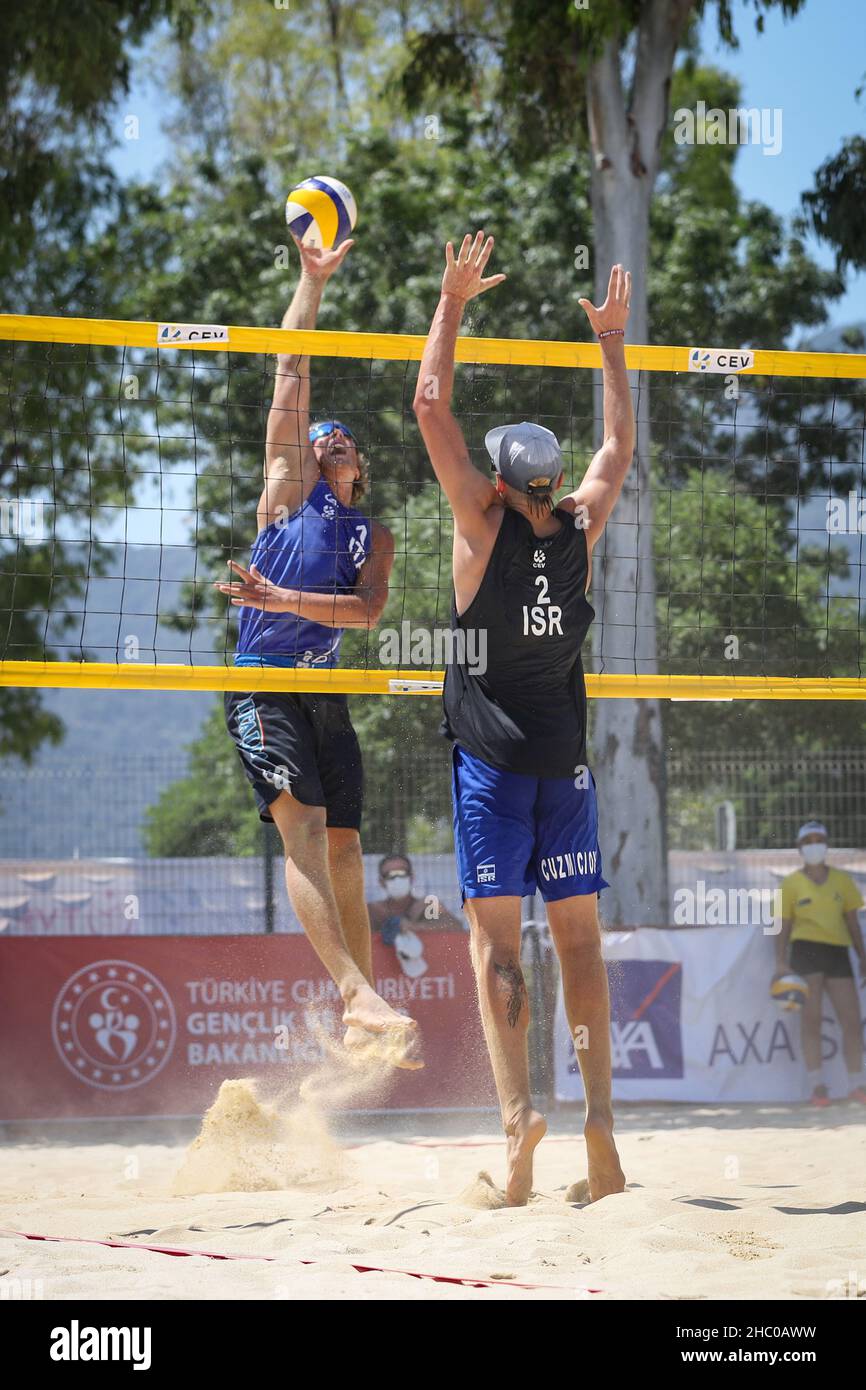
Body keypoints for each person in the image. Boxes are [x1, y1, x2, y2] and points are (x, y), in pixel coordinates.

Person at [413, 231, 634, 1203]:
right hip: (566, 767)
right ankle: (599, 1130)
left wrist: (452, 299)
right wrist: (610, 342)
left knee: (494, 949)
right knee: (579, 947)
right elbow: (617, 445)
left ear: (501, 483)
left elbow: (428, 404)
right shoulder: (579, 529)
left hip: (493, 770)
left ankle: (515, 1130)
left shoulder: (477, 522)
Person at [217, 233, 419, 1067]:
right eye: (319, 437)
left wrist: (284, 598)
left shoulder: (373, 530)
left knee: (344, 844)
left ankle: (357, 1022)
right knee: (300, 831)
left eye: (343, 440)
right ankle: (357, 996)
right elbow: (291, 373)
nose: (328, 439)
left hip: (321, 686)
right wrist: (311, 281)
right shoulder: (286, 496)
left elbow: (367, 615)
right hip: (261, 683)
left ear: (359, 466)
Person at [775, 821, 866, 1106]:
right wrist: (780, 962)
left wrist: (863, 957)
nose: (815, 844)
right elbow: (783, 927)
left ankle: (856, 1085)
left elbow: (853, 923)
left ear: (826, 844)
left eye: (819, 839)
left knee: (851, 1020)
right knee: (811, 1020)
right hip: (805, 952)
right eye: (809, 840)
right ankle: (817, 1087)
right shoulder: (790, 884)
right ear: (800, 848)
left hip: (838, 952)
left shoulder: (842, 881)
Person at [368, 853, 464, 937]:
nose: (397, 879)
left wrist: (414, 927)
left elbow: (456, 927)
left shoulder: (426, 906)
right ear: (381, 882)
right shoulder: (373, 911)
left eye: (402, 873)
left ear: (412, 877)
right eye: (390, 875)